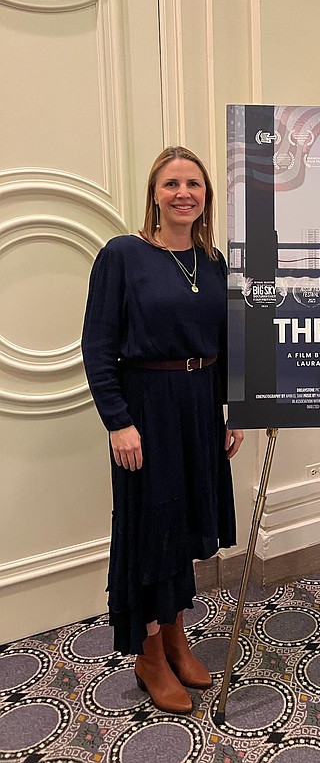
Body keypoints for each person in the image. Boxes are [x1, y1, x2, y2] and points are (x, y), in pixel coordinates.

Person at [82, 146, 243, 715]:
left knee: (183, 524)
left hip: (199, 406)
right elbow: (98, 346)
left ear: (206, 196)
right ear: (154, 193)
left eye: (194, 184)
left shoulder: (214, 262)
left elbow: (225, 347)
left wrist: (231, 410)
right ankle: (149, 651)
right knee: (150, 530)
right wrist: (118, 421)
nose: (184, 194)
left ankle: (176, 637)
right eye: (172, 183)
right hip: (146, 408)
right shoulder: (122, 255)